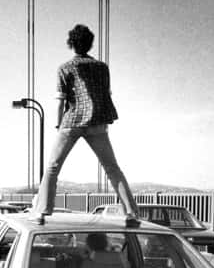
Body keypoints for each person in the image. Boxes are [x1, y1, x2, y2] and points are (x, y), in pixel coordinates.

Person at [31, 24, 139, 227]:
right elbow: (106, 95)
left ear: (71, 44)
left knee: (53, 167)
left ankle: (41, 212)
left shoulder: (64, 68)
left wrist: (58, 125)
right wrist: (105, 121)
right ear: (90, 44)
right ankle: (132, 212)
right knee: (112, 168)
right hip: (97, 122)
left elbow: (61, 101)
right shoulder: (102, 67)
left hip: (71, 122)